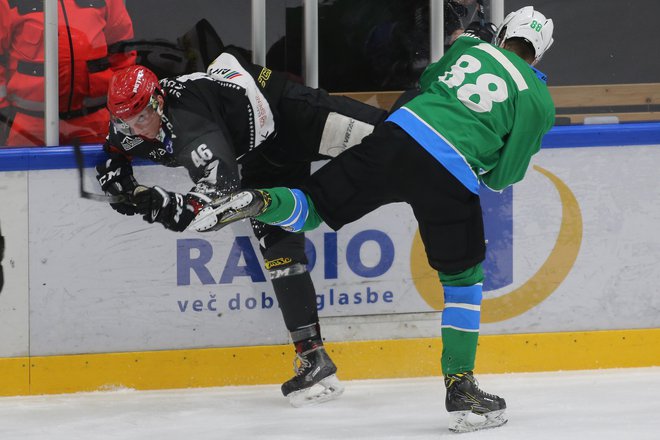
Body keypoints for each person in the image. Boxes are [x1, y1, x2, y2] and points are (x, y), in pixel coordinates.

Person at [204, 6, 555, 433]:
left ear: (502, 34)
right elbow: (504, 177)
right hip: (450, 170)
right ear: (538, 55)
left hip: (399, 134)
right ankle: (460, 386)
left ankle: (256, 200)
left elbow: (427, 84)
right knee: (463, 281)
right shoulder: (538, 100)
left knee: (311, 207)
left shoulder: (469, 47)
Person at [95, 48, 387, 407]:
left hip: (293, 118)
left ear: (158, 102)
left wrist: (160, 203)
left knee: (397, 138)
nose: (136, 130)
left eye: (141, 118)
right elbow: (113, 149)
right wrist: (117, 179)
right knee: (281, 257)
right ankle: (314, 359)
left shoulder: (191, 122)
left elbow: (218, 197)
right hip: (258, 163)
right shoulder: (130, 122)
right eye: (126, 122)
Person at [0, 0, 135, 147]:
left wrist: (124, 105)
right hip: (28, 125)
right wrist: (3, 112)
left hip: (95, 120)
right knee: (20, 169)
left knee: (103, 168)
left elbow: (122, 50)